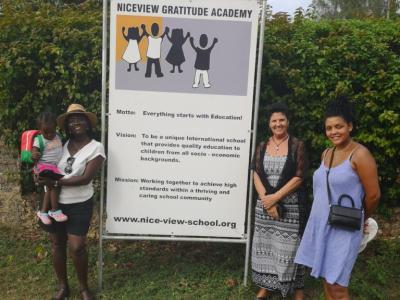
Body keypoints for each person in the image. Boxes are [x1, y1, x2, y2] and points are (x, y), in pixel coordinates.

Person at [294, 97, 380, 300]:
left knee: (338, 288)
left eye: (339, 126)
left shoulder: (360, 155)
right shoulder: (327, 153)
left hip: (344, 229)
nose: (334, 132)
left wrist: (361, 219)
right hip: (322, 225)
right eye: (329, 128)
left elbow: (374, 195)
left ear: (350, 126)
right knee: (327, 281)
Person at [37, 103, 106, 300]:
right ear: (67, 126)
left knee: (77, 247)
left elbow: (85, 178)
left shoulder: (96, 147)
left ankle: (84, 288)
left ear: (87, 123)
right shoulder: (60, 144)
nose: (76, 122)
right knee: (57, 244)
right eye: (71, 120)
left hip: (79, 204)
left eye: (80, 118)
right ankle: (63, 287)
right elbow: (45, 164)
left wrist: (56, 181)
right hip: (54, 203)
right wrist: (40, 175)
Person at [251, 103, 308, 300]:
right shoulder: (261, 146)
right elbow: (255, 172)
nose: (278, 124)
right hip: (264, 207)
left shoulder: (297, 146)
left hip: (290, 207)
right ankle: (265, 287)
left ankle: (298, 290)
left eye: (281, 120)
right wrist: (267, 201)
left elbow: (299, 176)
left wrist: (275, 198)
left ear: (288, 122)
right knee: (266, 246)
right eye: (274, 121)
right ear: (269, 124)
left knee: (292, 247)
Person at [33, 111, 67, 225]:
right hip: (43, 166)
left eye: (52, 131)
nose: (49, 135)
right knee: (54, 186)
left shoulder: (58, 137)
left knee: (50, 188)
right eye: (45, 132)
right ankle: (55, 210)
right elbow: (34, 153)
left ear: (56, 128)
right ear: (39, 129)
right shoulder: (39, 140)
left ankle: (43, 212)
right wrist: (35, 154)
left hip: (54, 167)